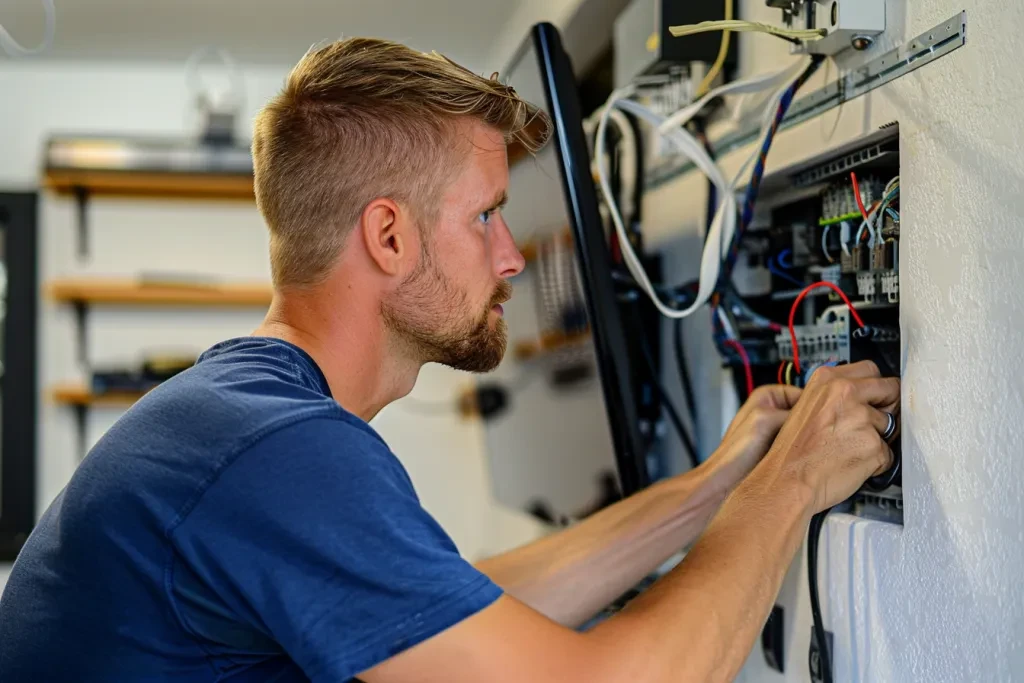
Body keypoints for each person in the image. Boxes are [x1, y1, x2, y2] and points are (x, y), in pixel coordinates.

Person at [0, 38, 899, 683]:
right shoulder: (276, 452)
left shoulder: (239, 415)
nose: (511, 256)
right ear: (388, 235)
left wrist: (722, 484)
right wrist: (795, 485)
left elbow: (464, 605)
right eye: (485, 215)